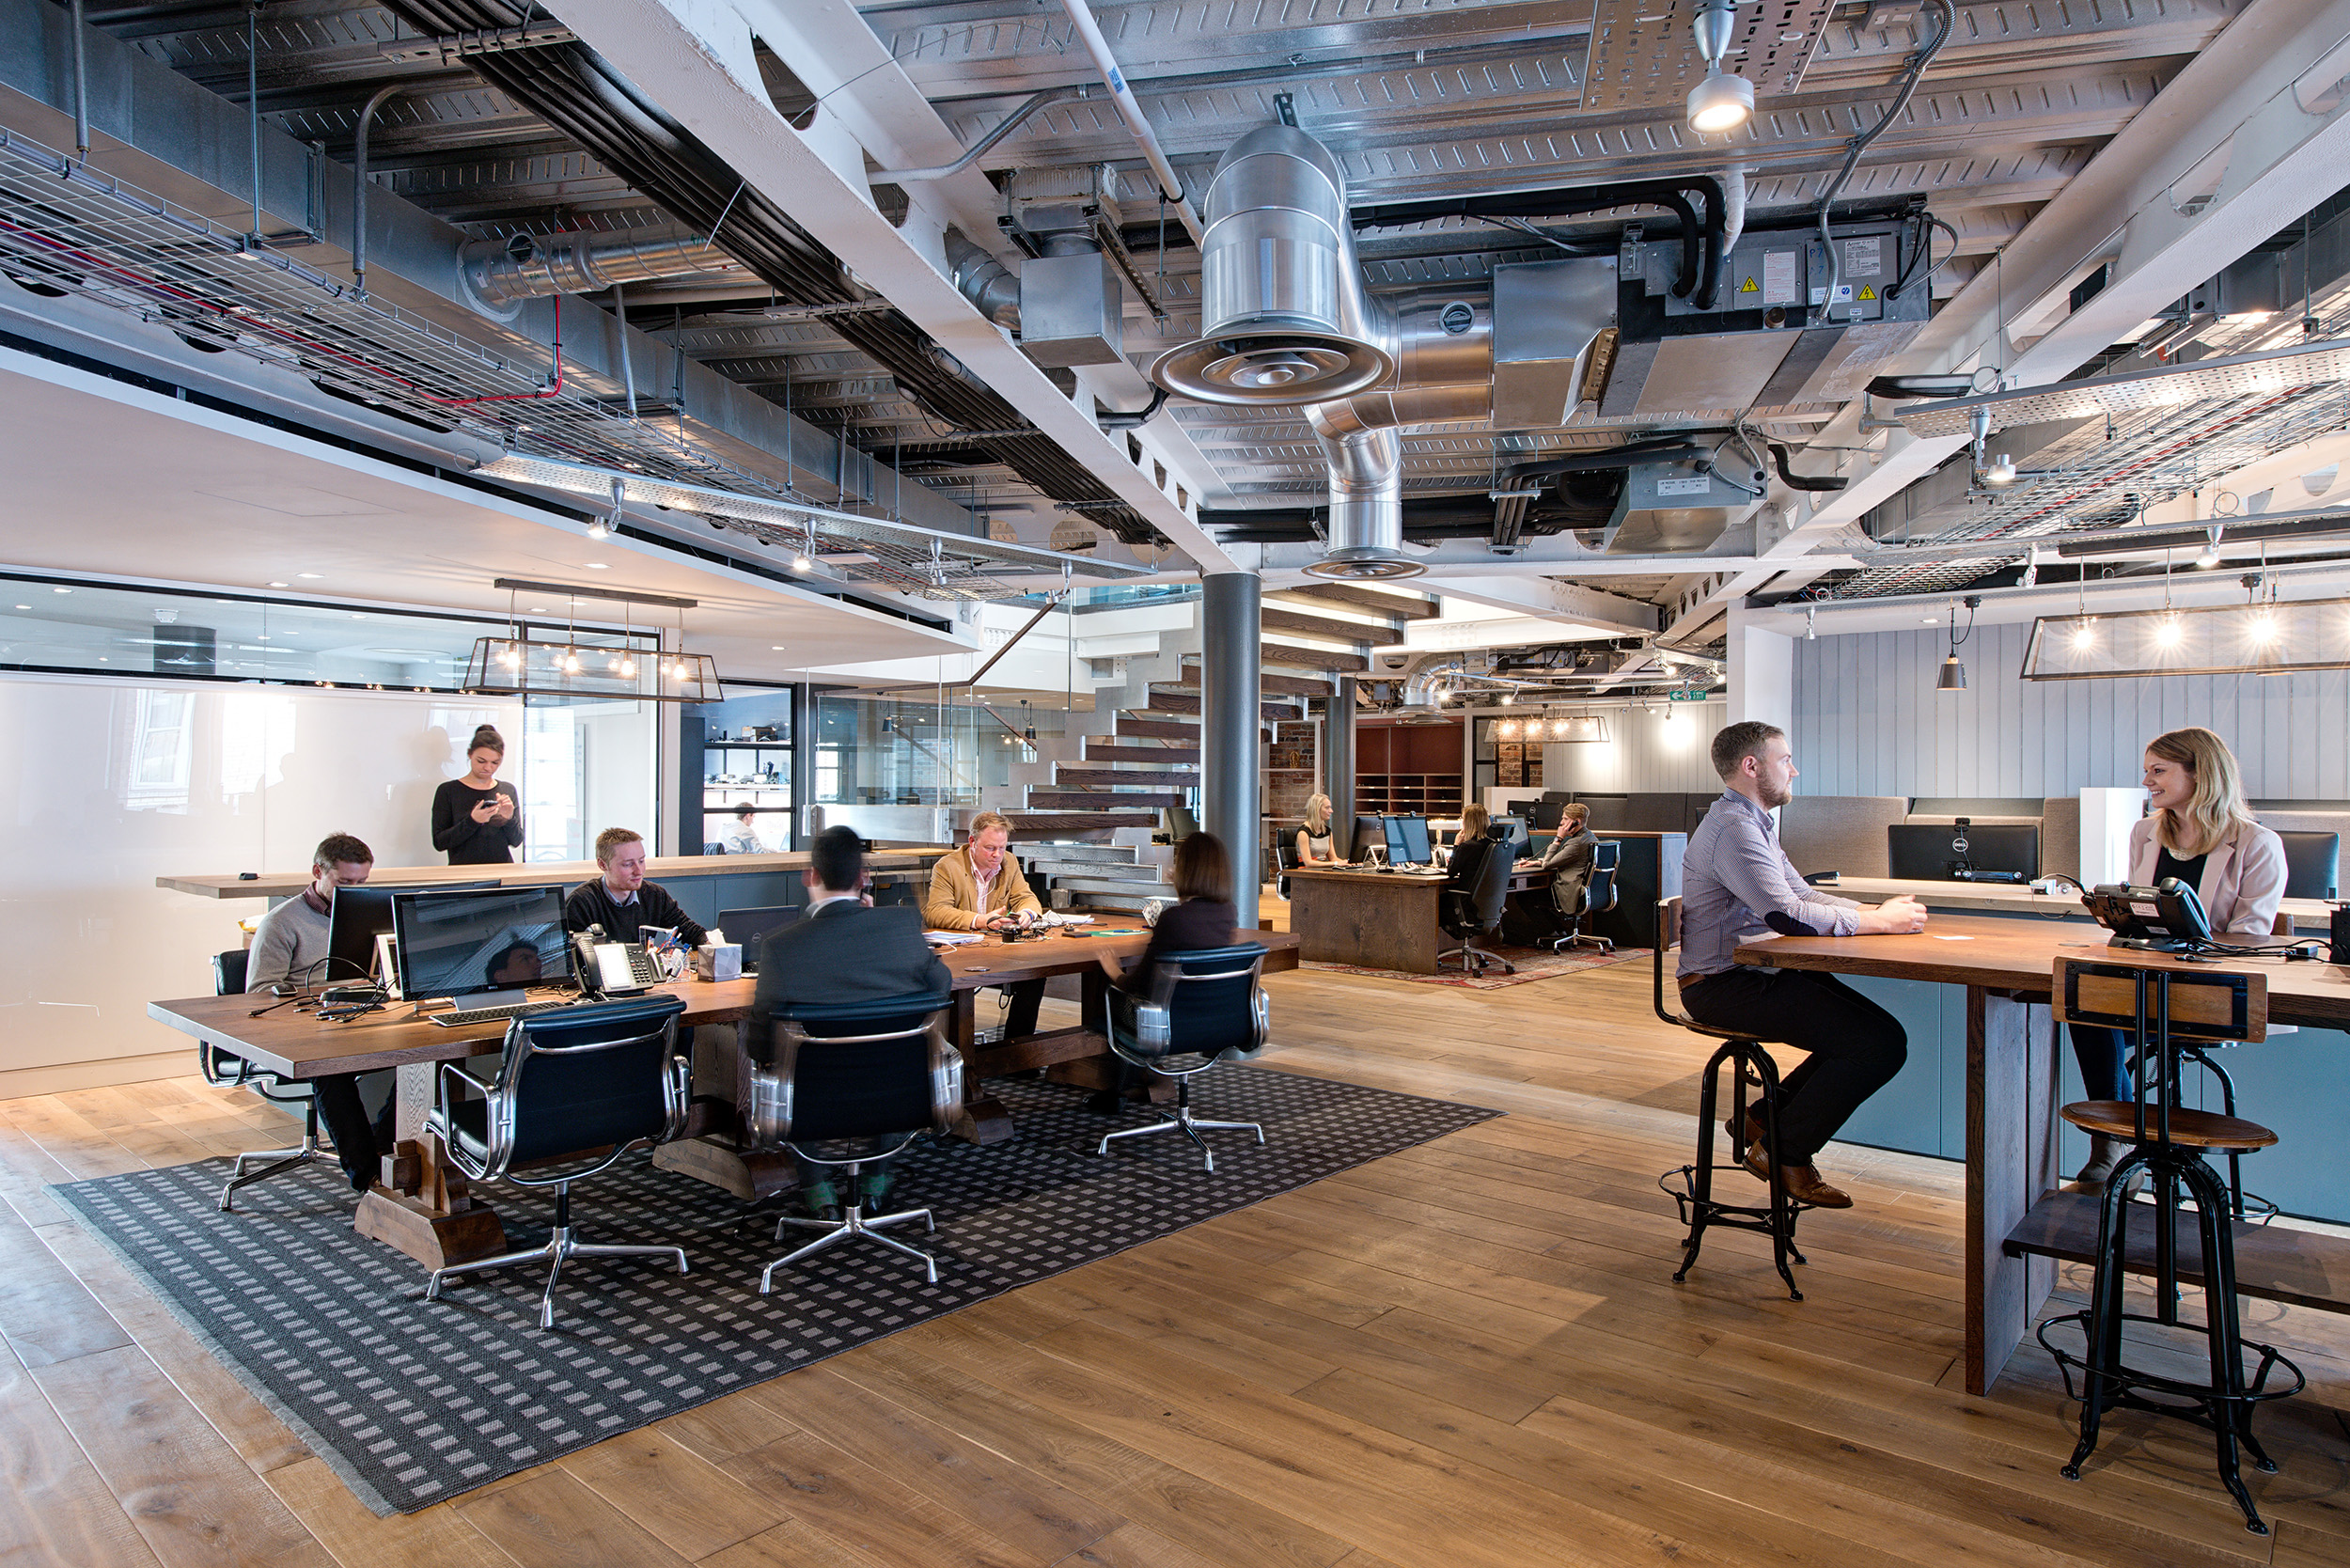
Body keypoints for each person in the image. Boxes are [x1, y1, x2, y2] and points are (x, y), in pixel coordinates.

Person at [1677, 722, 1929, 1210]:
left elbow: (1802, 893)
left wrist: (1874, 914)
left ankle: (1761, 1121)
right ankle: (1781, 1150)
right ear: (1752, 766)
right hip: (1723, 984)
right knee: (1877, 1045)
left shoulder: (1753, 823)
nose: (1794, 769)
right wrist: (1878, 923)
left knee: (1877, 1037)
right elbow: (1785, 914)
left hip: (1755, 972)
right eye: (1785, 759)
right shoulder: (1734, 829)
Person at [2063, 726, 2288, 1194]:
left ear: (2200, 772)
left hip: (2210, 997)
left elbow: (2248, 942)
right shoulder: (2146, 833)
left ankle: (2119, 1142)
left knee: (2095, 1013)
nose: (2148, 780)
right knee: (2084, 1009)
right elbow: (2143, 914)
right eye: (2147, 770)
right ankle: (2116, 1143)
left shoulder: (2257, 844)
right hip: (2147, 985)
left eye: (2159, 770)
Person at [749, 825, 951, 1218]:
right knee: (890, 1052)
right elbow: (940, 986)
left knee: (788, 1066)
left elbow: (759, 1044)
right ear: (864, 880)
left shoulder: (781, 946)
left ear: (811, 877)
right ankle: (876, 1182)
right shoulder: (901, 928)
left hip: (810, 1105)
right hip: (901, 1096)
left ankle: (818, 1189)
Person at [243, 832, 387, 1193]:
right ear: (317, 872)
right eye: (343, 882)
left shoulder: (368, 913)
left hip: (354, 1023)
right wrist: (325, 993)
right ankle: (367, 1175)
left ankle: (387, 1153)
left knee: (425, 1061)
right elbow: (258, 994)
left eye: (361, 882)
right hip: (301, 1033)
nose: (352, 891)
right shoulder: (280, 923)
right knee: (330, 1071)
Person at [1092, 830, 1241, 1112]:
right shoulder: (1227, 912)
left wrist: (1113, 970)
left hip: (1167, 1024)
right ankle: (1130, 1084)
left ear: (1186, 869)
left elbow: (1139, 985)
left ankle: (1117, 1091)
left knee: (1114, 998)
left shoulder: (1173, 919)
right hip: (1213, 1019)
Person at [922, 811, 1046, 1039]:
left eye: (1002, 847)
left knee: (1034, 974)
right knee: (959, 983)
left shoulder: (1009, 862)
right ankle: (961, 1054)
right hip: (959, 953)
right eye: (990, 848)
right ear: (972, 842)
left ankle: (1016, 1050)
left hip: (995, 950)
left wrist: (1027, 913)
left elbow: (1027, 897)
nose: (998, 854)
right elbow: (935, 912)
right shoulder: (947, 867)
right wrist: (982, 921)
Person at [562, 828, 710, 947]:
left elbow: (688, 930)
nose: (639, 871)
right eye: (628, 864)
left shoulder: (654, 895)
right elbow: (571, 958)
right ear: (602, 864)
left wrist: (712, 944)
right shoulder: (581, 902)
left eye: (641, 861)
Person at [431, 724, 523, 865]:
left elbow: (516, 841)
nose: (488, 767)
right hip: (464, 876)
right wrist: (473, 821)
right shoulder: (448, 791)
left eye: (495, 763)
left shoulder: (507, 789)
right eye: (481, 761)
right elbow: (440, 842)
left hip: (502, 875)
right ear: (470, 754)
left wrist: (509, 819)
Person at [1294, 794, 1341, 868]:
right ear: (1316, 809)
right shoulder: (1303, 833)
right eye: (1327, 808)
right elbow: (1308, 863)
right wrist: (1335, 863)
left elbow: (1333, 858)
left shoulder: (1327, 831)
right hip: (1306, 872)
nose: (1331, 811)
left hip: (1322, 870)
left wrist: (1350, 864)